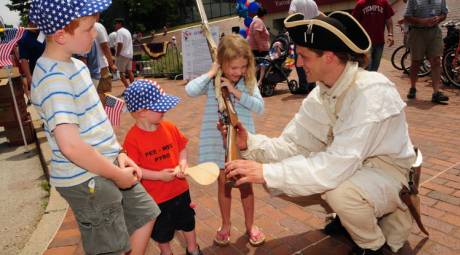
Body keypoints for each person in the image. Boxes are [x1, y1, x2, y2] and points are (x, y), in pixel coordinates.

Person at [224, 12, 418, 255]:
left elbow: (335, 166)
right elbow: (293, 144)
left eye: (304, 56)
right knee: (277, 177)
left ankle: (373, 246)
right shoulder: (321, 93)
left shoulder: (371, 91)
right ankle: (348, 218)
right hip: (353, 168)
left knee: (336, 190)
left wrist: (267, 172)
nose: (299, 64)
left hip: (388, 173)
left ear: (328, 57)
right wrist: (250, 144)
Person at [28, 0, 160, 254]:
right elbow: (70, 145)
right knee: (110, 246)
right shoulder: (54, 79)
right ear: (60, 35)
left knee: (145, 214)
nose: (96, 32)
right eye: (89, 28)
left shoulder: (76, 65)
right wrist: (114, 174)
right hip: (86, 178)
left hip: (106, 164)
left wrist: (119, 154)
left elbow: (96, 124)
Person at [185, 34, 265, 246]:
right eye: (233, 68)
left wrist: (236, 92)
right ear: (222, 63)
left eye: (243, 67)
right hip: (217, 144)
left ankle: (250, 225)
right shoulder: (213, 81)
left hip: (241, 144)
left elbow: (260, 107)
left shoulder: (247, 82)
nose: (238, 72)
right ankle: (226, 224)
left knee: (246, 186)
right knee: (224, 186)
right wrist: (212, 72)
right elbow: (190, 90)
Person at [123, 80, 203, 255]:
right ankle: (166, 252)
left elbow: (182, 147)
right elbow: (136, 170)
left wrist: (183, 163)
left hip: (180, 190)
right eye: (159, 107)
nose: (164, 110)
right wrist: (158, 176)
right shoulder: (132, 139)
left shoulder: (169, 127)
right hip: (156, 197)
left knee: (187, 221)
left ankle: (192, 248)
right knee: (161, 230)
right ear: (142, 112)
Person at [404, 0, 449, 104]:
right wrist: (422, 21)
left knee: (436, 60)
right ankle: (413, 87)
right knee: (416, 62)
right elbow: (407, 16)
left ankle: (436, 93)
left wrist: (439, 18)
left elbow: (444, 14)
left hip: (434, 31)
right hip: (417, 32)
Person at [289, 0, 323, 94]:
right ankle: (312, 84)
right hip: (311, 34)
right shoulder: (312, 2)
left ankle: (303, 86)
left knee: (300, 61)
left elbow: (291, 15)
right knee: (311, 59)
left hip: (300, 34)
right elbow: (318, 15)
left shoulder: (295, 2)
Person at [352, 0, 395, 71]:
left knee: (375, 68)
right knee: (367, 68)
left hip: (379, 42)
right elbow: (354, 23)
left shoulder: (384, 2)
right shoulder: (360, 4)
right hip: (365, 43)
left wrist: (390, 34)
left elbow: (388, 19)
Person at [18, 20, 45, 104]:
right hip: (36, 72)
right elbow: (24, 59)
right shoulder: (24, 38)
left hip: (50, 68)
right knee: (42, 98)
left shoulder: (42, 32)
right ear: (30, 22)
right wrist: (29, 76)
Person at [94, 18, 117, 104]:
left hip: (86, 65)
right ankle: (106, 114)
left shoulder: (80, 25)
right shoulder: (98, 26)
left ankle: (110, 109)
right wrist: (112, 64)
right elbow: (105, 46)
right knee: (101, 92)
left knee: (94, 92)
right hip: (101, 65)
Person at [247, 7, 270, 88]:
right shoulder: (258, 21)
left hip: (255, 47)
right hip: (258, 48)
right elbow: (256, 34)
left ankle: (256, 81)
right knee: (263, 63)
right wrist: (260, 46)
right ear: (263, 15)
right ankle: (259, 81)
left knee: (261, 64)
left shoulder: (256, 20)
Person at [114, 18, 134, 89]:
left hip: (122, 54)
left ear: (119, 24)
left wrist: (117, 54)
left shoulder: (119, 31)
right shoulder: (127, 31)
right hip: (129, 54)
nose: (114, 25)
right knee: (129, 72)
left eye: (115, 24)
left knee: (120, 73)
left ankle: (128, 88)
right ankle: (133, 88)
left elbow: (120, 44)